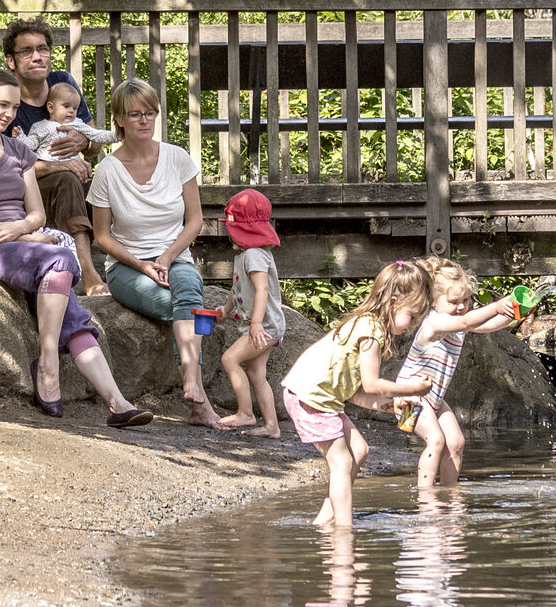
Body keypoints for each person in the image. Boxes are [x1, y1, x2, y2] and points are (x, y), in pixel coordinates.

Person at [0, 66, 150, 427]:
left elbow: (37, 214)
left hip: (26, 247)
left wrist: (25, 229)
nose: (8, 113)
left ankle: (118, 403)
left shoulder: (20, 153)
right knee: (60, 256)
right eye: (1, 105)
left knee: (68, 301)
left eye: (13, 106)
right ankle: (49, 361)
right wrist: (24, 236)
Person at [89, 78, 225, 429]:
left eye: (150, 113)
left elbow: (194, 222)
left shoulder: (177, 158)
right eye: (135, 114)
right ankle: (200, 401)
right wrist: (142, 264)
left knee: (189, 291)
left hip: (174, 257)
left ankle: (192, 386)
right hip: (126, 267)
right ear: (119, 119)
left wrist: (165, 258)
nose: (144, 120)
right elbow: (102, 237)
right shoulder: (106, 171)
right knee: (195, 313)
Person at [280, 261, 435, 529]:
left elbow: (355, 393)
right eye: (412, 316)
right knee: (341, 461)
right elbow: (373, 384)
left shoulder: (368, 325)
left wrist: (389, 406)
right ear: (393, 302)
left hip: (321, 397)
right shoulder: (370, 331)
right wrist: (413, 389)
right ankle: (344, 529)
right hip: (310, 397)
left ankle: (325, 519)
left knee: (359, 450)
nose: (413, 325)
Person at [394, 258, 524, 490]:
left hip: (432, 399)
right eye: (454, 301)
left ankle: (449, 492)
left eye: (466, 300)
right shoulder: (434, 324)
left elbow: (487, 325)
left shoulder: (458, 323)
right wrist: (495, 305)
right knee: (436, 440)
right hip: (407, 399)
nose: (462, 306)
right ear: (433, 301)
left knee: (456, 443)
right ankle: (426, 497)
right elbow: (467, 320)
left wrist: (513, 312)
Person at [1, 19, 103, 295]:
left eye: (42, 49)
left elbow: (95, 146)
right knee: (65, 178)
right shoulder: (5, 97)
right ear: (11, 61)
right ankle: (88, 271)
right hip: (26, 195)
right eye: (26, 51)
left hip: (72, 186)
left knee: (110, 178)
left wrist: (83, 140)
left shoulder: (63, 84)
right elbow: (3, 168)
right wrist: (59, 165)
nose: (37, 57)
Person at [216, 188, 285, 436]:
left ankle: (245, 413)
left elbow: (262, 289)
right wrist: (224, 311)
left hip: (264, 325)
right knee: (256, 373)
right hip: (264, 325)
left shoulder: (254, 255)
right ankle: (272, 426)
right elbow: (237, 288)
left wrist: (256, 324)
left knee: (229, 359)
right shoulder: (247, 254)